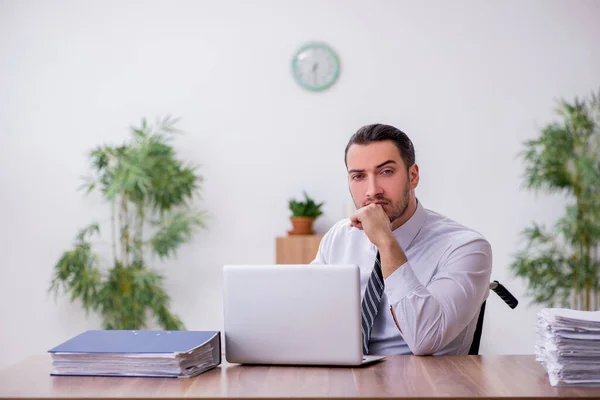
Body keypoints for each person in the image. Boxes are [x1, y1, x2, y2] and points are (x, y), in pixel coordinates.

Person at [311, 123, 492, 356]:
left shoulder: (465, 247)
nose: (372, 190)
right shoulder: (339, 237)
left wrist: (386, 242)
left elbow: (425, 338)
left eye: (386, 172)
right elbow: (311, 317)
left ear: (413, 175)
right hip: (348, 382)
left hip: (429, 386)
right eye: (358, 176)